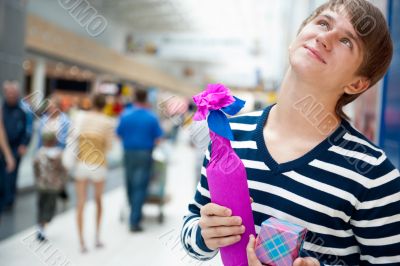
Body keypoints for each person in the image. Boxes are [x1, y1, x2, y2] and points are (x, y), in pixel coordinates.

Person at [181, 1, 399, 265]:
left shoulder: (373, 173)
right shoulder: (228, 136)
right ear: (295, 39)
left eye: (346, 41)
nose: (325, 37)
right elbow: (192, 228)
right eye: (323, 23)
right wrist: (205, 235)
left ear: (356, 83)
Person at [116, 88, 163, 232]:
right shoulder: (151, 117)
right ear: (146, 99)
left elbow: (118, 135)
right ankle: (134, 220)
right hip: (144, 154)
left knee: (129, 183)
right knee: (140, 186)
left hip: (128, 153)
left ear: (134, 98)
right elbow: (158, 139)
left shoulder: (125, 115)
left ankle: (134, 211)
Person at [72, 94, 114, 253]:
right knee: (98, 200)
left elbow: (73, 138)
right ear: (104, 106)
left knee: (81, 202)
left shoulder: (80, 117)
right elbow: (109, 146)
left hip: (82, 162)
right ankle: (96, 237)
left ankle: (82, 242)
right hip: (98, 164)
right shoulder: (107, 122)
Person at [1, 81, 32, 210]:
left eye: (13, 93)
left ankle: (9, 200)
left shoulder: (24, 109)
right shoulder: (2, 107)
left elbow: (28, 129)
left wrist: (24, 144)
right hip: (3, 147)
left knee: (12, 174)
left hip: (16, 147)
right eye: (8, 93)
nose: (11, 95)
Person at [33, 132, 67, 241]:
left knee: (41, 206)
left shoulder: (39, 153)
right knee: (50, 208)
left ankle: (40, 226)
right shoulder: (59, 154)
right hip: (53, 186)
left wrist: (37, 179)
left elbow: (35, 168)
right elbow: (63, 170)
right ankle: (43, 225)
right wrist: (62, 183)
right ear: (54, 141)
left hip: (41, 185)